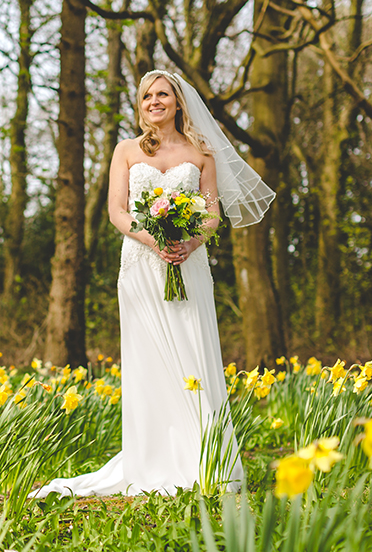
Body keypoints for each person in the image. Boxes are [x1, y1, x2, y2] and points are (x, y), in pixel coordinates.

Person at [30, 70, 275, 498]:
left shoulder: (202, 152)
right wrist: (153, 238)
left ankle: (204, 458)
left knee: (192, 354)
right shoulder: (126, 150)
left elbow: (214, 213)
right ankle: (152, 459)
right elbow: (117, 210)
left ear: (179, 102)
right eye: (147, 96)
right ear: (140, 104)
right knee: (150, 363)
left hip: (189, 264)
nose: (154, 101)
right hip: (142, 267)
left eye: (163, 94)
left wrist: (189, 242)